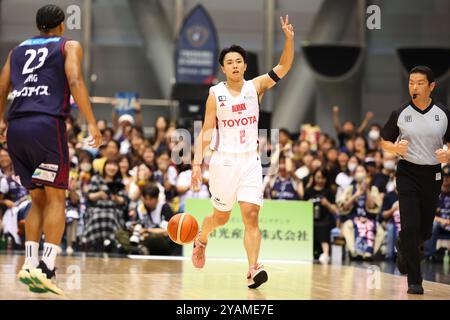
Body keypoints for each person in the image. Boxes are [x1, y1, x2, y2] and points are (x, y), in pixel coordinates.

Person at [0, 4, 102, 294]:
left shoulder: (17, 50)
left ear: (37, 25)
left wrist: (0, 120)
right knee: (57, 198)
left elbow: (2, 86)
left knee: (38, 198)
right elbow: (74, 80)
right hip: (46, 125)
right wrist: (92, 122)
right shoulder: (68, 45)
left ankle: (30, 265)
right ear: (61, 25)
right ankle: (47, 267)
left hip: (17, 127)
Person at [190, 15, 294, 289]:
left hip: (250, 162)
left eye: (239, 61)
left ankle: (252, 269)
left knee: (251, 216)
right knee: (220, 219)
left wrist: (289, 39)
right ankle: (202, 238)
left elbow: (283, 66)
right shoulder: (215, 93)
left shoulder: (255, 86)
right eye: (229, 62)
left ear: (245, 66)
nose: (234, 65)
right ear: (223, 68)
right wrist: (196, 165)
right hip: (223, 163)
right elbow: (207, 131)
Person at [380, 65, 450, 294]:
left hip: (433, 174)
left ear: (431, 86)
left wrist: (448, 153)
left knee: (424, 231)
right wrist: (395, 148)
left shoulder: (443, 114)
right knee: (409, 226)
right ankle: (414, 280)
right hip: (407, 172)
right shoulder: (399, 113)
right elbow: (384, 141)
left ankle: (403, 245)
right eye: (411, 82)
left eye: (420, 83)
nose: (414, 87)